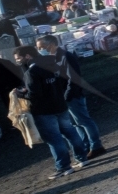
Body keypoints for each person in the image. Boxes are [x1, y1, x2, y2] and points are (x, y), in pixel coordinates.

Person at [9, 46, 89, 179]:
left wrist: (21, 94)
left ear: (27, 56)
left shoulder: (31, 72)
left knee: (54, 139)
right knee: (70, 131)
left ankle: (63, 166)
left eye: (19, 59)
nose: (18, 62)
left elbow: (35, 94)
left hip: (44, 111)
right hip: (60, 105)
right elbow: (62, 83)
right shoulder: (53, 64)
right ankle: (82, 158)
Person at [37, 35, 113, 159]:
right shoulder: (53, 58)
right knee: (76, 124)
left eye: (41, 47)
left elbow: (73, 78)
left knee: (84, 121)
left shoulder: (65, 56)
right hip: (64, 96)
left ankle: (96, 146)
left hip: (72, 96)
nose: (39, 49)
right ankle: (86, 146)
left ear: (50, 45)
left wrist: (67, 95)